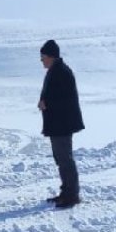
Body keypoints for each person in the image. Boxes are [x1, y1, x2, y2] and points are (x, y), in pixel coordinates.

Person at [38, 40, 84, 208]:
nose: (41, 60)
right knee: (62, 159)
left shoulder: (62, 72)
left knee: (65, 159)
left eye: (43, 56)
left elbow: (66, 100)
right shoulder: (55, 71)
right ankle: (66, 193)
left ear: (51, 56)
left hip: (62, 124)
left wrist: (46, 103)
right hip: (57, 124)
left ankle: (72, 195)